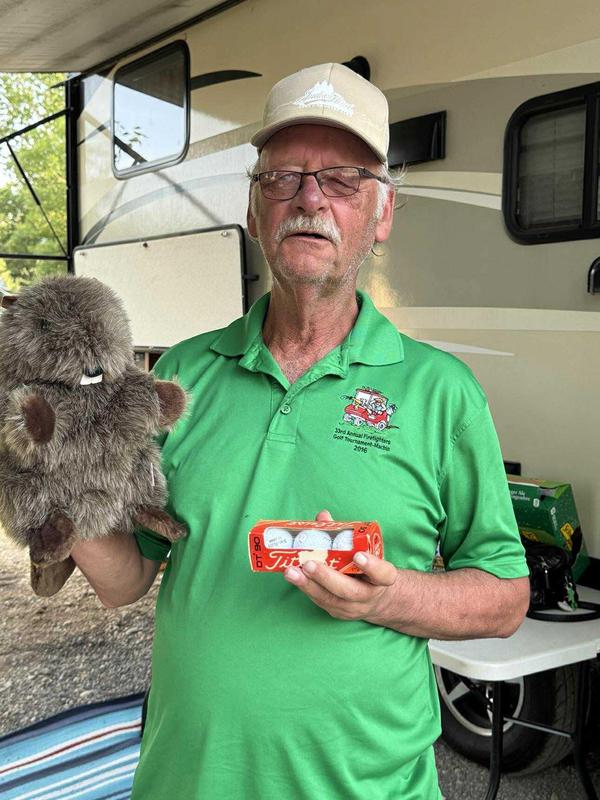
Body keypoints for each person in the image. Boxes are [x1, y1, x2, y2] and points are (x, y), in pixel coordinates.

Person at [71, 62, 530, 799]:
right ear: (254, 211)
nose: (310, 198)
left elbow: (506, 598)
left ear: (382, 214)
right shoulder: (180, 375)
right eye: (283, 177)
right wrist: (54, 485)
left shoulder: (441, 392)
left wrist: (388, 598)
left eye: (343, 180)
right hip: (188, 782)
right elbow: (127, 580)